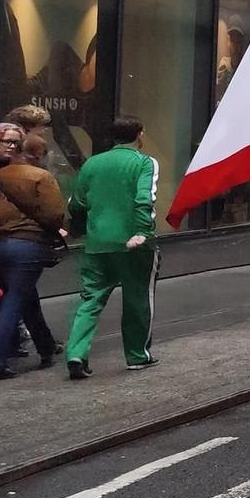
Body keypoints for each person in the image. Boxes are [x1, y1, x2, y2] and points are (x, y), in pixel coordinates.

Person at [62, 116, 161, 379]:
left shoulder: (92, 164)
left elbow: (77, 203)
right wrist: (143, 231)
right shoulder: (144, 162)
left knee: (90, 299)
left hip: (97, 243)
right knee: (137, 298)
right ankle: (137, 355)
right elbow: (144, 199)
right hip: (132, 243)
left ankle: (76, 352)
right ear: (140, 134)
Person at [0, 120, 67, 380]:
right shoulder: (37, 175)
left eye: (14, 143)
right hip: (25, 244)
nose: (10, 147)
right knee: (14, 299)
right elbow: (54, 214)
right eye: (6, 141)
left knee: (21, 297)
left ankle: (46, 346)